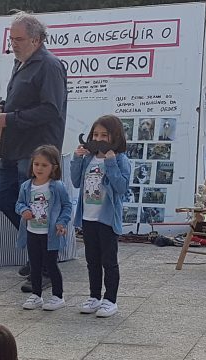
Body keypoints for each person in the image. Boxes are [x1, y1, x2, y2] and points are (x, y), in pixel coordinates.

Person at [0, 11, 67, 291]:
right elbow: (17, 100)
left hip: (36, 152)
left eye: (18, 39)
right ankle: (36, 256)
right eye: (11, 38)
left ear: (36, 39)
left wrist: (10, 118)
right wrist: (0, 106)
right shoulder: (20, 63)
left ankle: (44, 268)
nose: (13, 44)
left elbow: (50, 109)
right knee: (6, 199)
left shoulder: (49, 66)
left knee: (38, 209)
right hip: (13, 148)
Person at [70, 115, 131, 318]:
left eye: (104, 135)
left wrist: (111, 163)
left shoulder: (120, 159)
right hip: (88, 217)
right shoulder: (89, 157)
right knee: (92, 259)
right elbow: (76, 181)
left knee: (109, 260)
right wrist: (77, 159)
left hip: (106, 219)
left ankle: (110, 299)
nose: (99, 138)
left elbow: (121, 187)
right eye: (96, 134)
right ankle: (94, 296)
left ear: (115, 137)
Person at [15, 145, 72, 310]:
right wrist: (23, 210)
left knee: (51, 264)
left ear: (53, 168)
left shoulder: (57, 186)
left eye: (44, 165)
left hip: (50, 234)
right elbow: (19, 204)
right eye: (36, 164)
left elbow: (67, 206)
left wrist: (62, 222)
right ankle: (36, 295)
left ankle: (58, 296)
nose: (39, 168)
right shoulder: (26, 186)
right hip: (32, 231)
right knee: (34, 265)